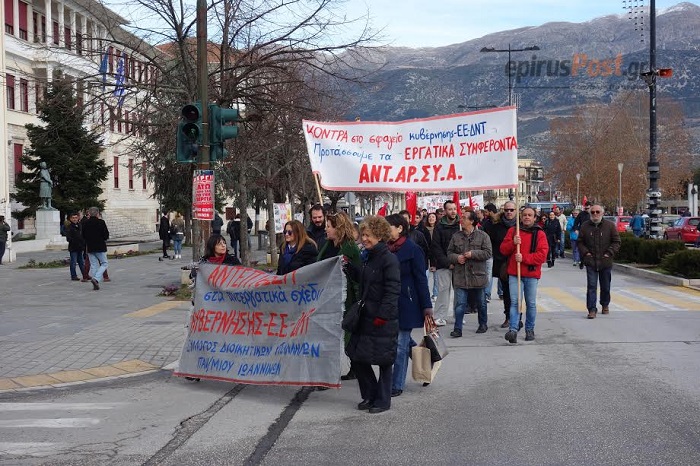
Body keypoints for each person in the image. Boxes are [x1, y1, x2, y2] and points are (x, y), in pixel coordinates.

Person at [343, 216, 400, 414]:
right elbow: (365, 282)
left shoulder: (389, 259)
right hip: (365, 316)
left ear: (379, 236)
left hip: (382, 319)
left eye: (368, 235)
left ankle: (383, 400)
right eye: (363, 234)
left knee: (384, 361)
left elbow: (392, 291)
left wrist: (383, 315)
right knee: (357, 356)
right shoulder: (368, 257)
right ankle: (370, 394)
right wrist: (350, 268)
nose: (364, 238)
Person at [385, 214, 432, 397]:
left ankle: (396, 385)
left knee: (399, 345)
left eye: (388, 227)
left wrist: (427, 306)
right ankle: (426, 364)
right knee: (405, 343)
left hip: (408, 302)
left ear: (399, 228)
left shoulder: (413, 250)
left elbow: (421, 279)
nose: (385, 231)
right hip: (391, 302)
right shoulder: (386, 249)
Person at [318, 212, 361, 381]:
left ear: (339, 228)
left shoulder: (349, 248)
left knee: (345, 338)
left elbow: (357, 276)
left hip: (346, 299)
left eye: (329, 226)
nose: (326, 230)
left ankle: (354, 368)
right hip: (328, 297)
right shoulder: (329, 245)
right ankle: (330, 374)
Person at [500, 206, 548, 343]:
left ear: (534, 218)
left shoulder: (539, 234)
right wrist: (513, 243)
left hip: (531, 274)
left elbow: (542, 255)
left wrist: (525, 258)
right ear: (521, 217)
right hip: (515, 273)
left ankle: (529, 329)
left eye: (529, 215)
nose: (527, 217)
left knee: (531, 303)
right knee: (515, 302)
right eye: (524, 215)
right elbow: (503, 250)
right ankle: (513, 330)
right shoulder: (513, 231)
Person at [448, 210, 492, 336]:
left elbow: (488, 253)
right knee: (460, 304)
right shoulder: (456, 236)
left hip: (478, 275)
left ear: (472, 221)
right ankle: (458, 328)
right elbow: (449, 253)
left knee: (481, 303)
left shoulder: (483, 236)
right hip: (461, 276)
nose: (461, 220)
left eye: (464, 218)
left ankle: (483, 324)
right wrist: (457, 258)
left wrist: (473, 254)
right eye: (461, 218)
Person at [578, 205, 621, 319]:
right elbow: (580, 242)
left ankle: (605, 304)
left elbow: (616, 241)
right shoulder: (585, 226)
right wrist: (586, 253)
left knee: (605, 285)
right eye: (593, 212)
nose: (595, 214)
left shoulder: (610, 226)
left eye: (597, 212)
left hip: (605, 262)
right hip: (591, 261)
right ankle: (592, 309)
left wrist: (609, 253)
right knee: (592, 286)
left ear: (602, 213)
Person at [484, 201, 517, 328]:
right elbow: (490, 243)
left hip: (520, 263)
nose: (509, 212)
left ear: (516, 211)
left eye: (511, 210)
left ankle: (517, 317)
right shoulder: (496, 225)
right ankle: (508, 316)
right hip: (503, 263)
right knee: (507, 292)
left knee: (518, 293)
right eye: (507, 210)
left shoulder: (521, 225)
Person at [430, 200, 461, 326]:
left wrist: (458, 260)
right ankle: (439, 316)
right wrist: (448, 263)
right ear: (445, 211)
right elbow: (436, 247)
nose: (453, 211)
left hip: (459, 263)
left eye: (454, 208)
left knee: (459, 291)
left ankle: (458, 315)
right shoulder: (439, 226)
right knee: (443, 291)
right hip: (443, 264)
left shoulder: (460, 225)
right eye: (450, 209)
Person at [82, 207, 110, 291]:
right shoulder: (101, 222)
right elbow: (106, 235)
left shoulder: (85, 223)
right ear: (98, 213)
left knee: (93, 265)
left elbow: (83, 235)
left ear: (89, 214)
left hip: (90, 246)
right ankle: (96, 279)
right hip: (100, 246)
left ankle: (95, 281)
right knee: (104, 263)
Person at [481, 203, 498, 302]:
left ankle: (500, 292)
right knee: (488, 273)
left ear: (491, 211)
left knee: (498, 273)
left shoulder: (499, 222)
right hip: (489, 251)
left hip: (498, 250)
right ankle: (487, 293)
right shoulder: (487, 222)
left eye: (486, 212)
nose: (485, 214)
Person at [421, 212, 439, 300]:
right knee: (426, 276)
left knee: (436, 276)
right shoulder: (424, 230)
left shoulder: (438, 229)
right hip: (426, 254)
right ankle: (426, 294)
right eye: (430, 217)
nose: (431, 218)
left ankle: (435, 293)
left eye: (433, 217)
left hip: (436, 254)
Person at [65, 212, 86, 280]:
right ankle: (73, 276)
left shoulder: (80, 225)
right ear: (70, 219)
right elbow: (68, 238)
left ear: (78, 218)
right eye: (73, 218)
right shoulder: (69, 227)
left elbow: (83, 235)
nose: (74, 219)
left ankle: (85, 275)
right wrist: (75, 241)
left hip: (80, 247)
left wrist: (83, 242)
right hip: (73, 247)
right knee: (73, 262)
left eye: (76, 218)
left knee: (81, 262)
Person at [573, 202, 592, 269]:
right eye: (585, 208)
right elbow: (576, 223)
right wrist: (576, 230)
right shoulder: (581, 214)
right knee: (581, 248)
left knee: (590, 248)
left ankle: (589, 261)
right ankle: (582, 261)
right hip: (582, 233)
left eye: (588, 208)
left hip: (591, 233)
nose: (587, 209)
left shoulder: (593, 213)